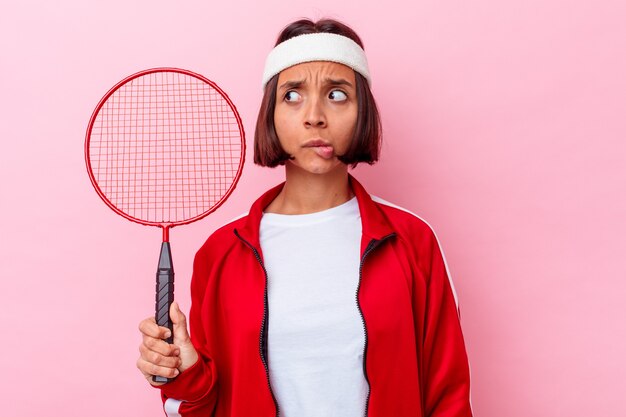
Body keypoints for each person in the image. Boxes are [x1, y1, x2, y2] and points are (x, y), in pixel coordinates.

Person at [137, 18, 473, 417]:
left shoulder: (412, 240)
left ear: (361, 110)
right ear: (271, 115)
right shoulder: (220, 254)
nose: (315, 116)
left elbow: (448, 396)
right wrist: (184, 373)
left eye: (336, 94)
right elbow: (202, 408)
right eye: (292, 95)